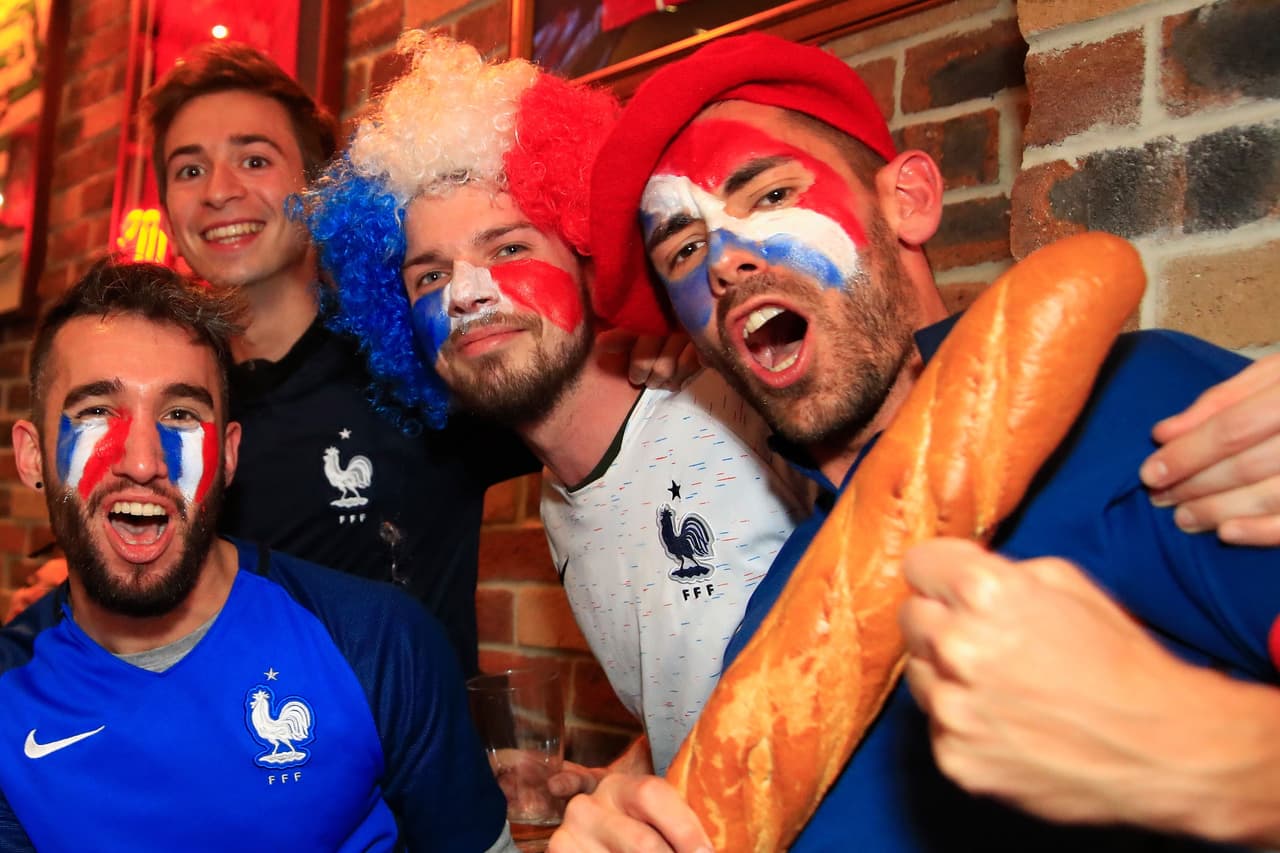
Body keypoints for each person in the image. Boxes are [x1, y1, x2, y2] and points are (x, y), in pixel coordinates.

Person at [558, 32, 1280, 851]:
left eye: (768, 196)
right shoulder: (774, 608)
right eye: (685, 250)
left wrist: (1204, 754)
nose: (724, 261)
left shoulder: (1145, 414)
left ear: (909, 200)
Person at [301, 32, 813, 778]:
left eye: (508, 249)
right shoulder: (562, 502)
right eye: (428, 276)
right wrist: (603, 787)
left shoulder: (735, 403)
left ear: (587, 251)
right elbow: (724, 728)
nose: (468, 295)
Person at [0, 259, 512, 852]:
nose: (143, 461)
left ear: (230, 455)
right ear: (33, 456)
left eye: (180, 415)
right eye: (95, 411)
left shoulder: (377, 645)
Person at [131, 41, 544, 673]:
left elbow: (581, 416)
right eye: (189, 170)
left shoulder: (411, 355)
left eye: (253, 159)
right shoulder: (169, 402)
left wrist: (645, 356)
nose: (218, 191)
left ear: (318, 189)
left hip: (412, 762)